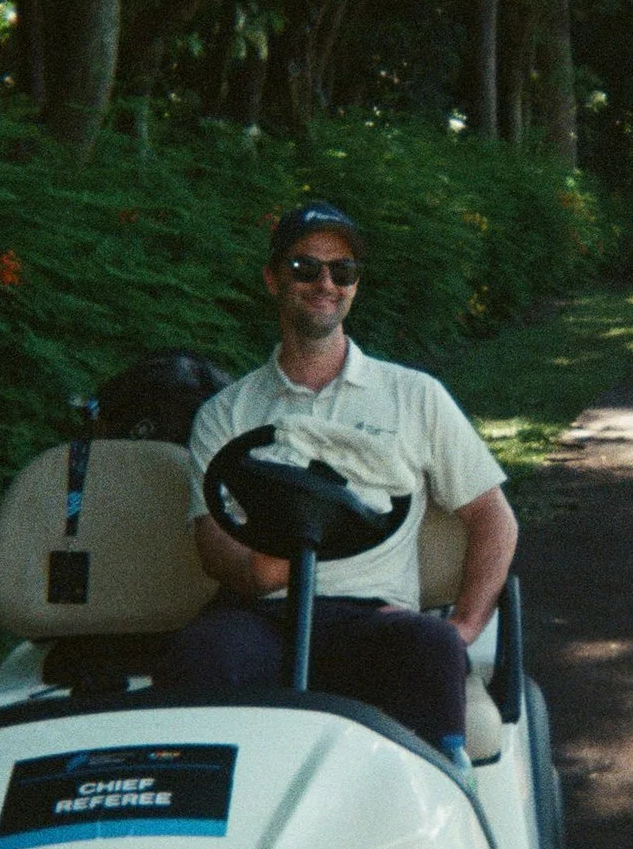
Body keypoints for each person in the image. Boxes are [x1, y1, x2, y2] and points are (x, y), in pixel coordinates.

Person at [163, 201, 520, 782]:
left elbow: (494, 518)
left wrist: (465, 628)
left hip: (373, 619)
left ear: (355, 285)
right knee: (202, 653)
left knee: (431, 646)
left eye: (342, 270)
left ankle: (436, 806)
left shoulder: (415, 396)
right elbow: (213, 546)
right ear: (273, 279)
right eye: (304, 268)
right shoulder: (226, 413)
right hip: (264, 619)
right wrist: (276, 565)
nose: (325, 283)